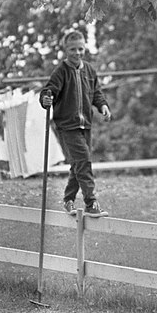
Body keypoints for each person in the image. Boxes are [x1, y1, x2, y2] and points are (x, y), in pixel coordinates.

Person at [40, 30, 112, 217]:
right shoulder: (61, 71)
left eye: (80, 49)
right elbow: (49, 91)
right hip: (67, 125)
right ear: (66, 50)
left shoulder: (89, 70)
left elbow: (96, 92)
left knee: (78, 165)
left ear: (84, 48)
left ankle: (68, 199)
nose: (77, 53)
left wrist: (102, 105)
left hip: (85, 125)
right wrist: (46, 99)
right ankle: (91, 203)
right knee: (84, 162)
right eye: (73, 49)